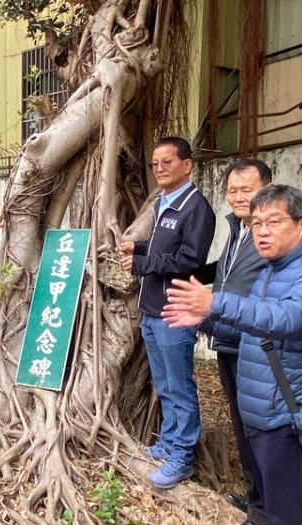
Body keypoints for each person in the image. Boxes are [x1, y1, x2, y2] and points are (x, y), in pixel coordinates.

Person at [163, 184, 302, 525]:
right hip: (263, 409)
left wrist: (214, 301)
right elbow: (252, 324)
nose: (262, 231)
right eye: (257, 223)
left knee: (294, 520)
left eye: (273, 222)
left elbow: (289, 318)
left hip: (291, 416)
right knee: (278, 511)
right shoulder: (271, 270)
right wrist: (202, 318)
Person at [118, 136, 215, 489]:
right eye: (155, 163)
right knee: (164, 384)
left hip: (176, 312)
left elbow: (189, 259)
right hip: (152, 311)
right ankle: (170, 442)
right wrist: (138, 245)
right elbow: (162, 247)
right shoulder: (163, 203)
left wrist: (141, 262)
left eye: (167, 162)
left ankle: (182, 457)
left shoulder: (196, 207)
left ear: (186, 166)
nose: (159, 168)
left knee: (179, 385)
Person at [198, 159, 272, 525]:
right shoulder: (238, 228)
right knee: (242, 425)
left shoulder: (275, 232)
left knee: (260, 427)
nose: (239, 196)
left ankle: (267, 514)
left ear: (268, 188)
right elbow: (226, 271)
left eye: (247, 189)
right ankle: (255, 497)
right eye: (233, 190)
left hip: (257, 345)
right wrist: (192, 271)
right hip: (229, 340)